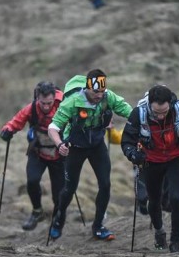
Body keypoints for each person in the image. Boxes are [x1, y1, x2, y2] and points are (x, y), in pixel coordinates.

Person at [121, 85, 179, 252]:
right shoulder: (138, 114)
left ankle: (175, 243)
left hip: (177, 158)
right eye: (156, 113)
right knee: (154, 200)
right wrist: (133, 154)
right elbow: (127, 141)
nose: (160, 116)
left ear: (170, 103)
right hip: (151, 161)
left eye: (164, 112)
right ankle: (159, 232)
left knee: (176, 198)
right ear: (149, 105)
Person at [48, 69, 133, 241]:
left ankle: (98, 226)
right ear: (87, 88)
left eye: (102, 91)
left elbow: (130, 112)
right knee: (69, 188)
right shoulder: (72, 101)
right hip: (75, 147)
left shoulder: (108, 97)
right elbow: (53, 128)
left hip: (96, 145)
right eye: (95, 92)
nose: (99, 95)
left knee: (106, 185)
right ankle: (59, 218)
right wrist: (59, 145)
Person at [0, 81, 65, 231]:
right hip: (38, 153)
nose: (46, 107)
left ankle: (57, 218)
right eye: (43, 103)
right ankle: (37, 212)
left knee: (58, 194)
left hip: (59, 157)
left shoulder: (63, 107)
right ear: (37, 98)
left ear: (54, 98)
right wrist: (7, 130)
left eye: (49, 103)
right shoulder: (31, 109)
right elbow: (15, 122)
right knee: (32, 181)